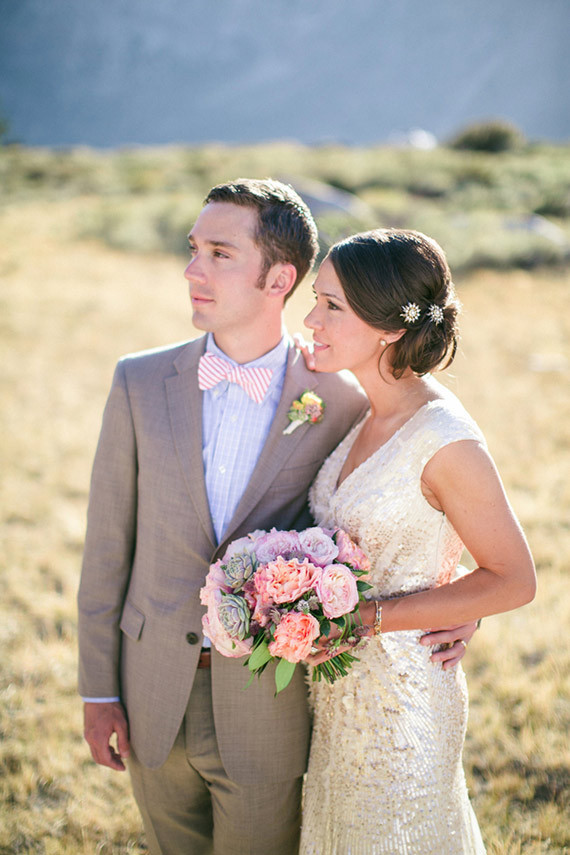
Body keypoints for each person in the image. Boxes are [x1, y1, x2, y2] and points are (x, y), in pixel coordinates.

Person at [78, 180, 475, 855]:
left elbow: (401, 499)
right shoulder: (138, 383)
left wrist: (459, 596)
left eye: (219, 253)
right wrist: (97, 690)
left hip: (269, 705)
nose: (191, 269)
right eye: (193, 249)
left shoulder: (344, 398)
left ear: (278, 277)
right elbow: (106, 547)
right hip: (149, 695)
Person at [298, 228, 537, 855]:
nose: (310, 318)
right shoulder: (364, 413)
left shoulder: (445, 437)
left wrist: (370, 618)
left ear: (390, 328)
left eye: (331, 306)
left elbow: (514, 578)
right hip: (338, 704)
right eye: (316, 299)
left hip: (404, 703)